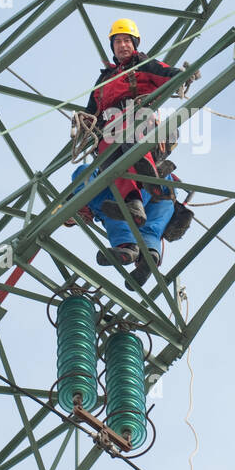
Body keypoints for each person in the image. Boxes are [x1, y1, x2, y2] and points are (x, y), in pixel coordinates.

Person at [83, 18, 180, 227]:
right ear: (113, 47)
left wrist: (184, 76)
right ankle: (132, 202)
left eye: (127, 40)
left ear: (134, 43)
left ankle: (148, 170)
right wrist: (84, 128)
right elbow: (90, 113)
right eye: (117, 42)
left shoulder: (144, 65)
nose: (122, 45)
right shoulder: (104, 80)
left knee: (125, 126)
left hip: (142, 122)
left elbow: (169, 74)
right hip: (113, 130)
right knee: (105, 149)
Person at [69, 162, 176, 282]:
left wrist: (84, 202)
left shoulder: (88, 189)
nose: (86, 220)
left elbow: (85, 180)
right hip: (165, 191)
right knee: (149, 230)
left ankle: (128, 247)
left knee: (111, 209)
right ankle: (150, 254)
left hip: (144, 182)